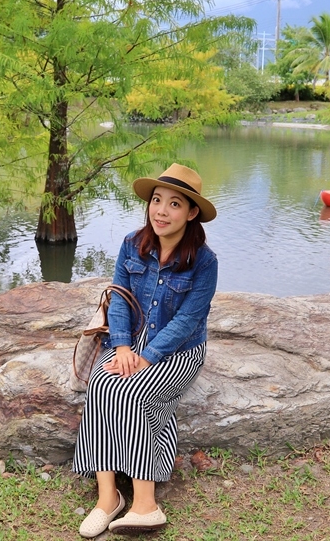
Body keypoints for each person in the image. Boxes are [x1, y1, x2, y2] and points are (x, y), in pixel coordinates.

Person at [74, 163, 218, 537]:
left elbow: (189, 320)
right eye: (157, 201)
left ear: (190, 213)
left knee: (134, 392)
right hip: (129, 340)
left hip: (179, 350)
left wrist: (147, 357)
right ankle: (108, 500)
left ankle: (145, 505)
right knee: (102, 385)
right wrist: (122, 345)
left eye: (174, 204)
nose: (161, 211)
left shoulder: (205, 261)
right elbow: (119, 300)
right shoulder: (130, 245)